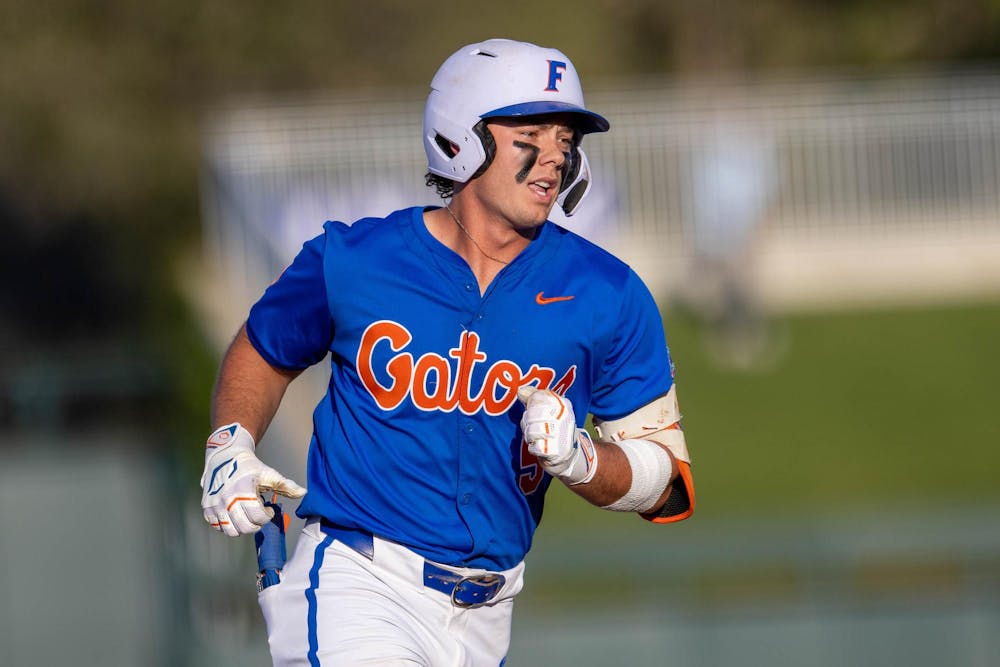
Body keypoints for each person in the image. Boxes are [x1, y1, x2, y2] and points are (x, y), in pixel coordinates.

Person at [199, 38, 695, 666]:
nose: (554, 160)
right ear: (461, 137)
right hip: (358, 580)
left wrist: (580, 458)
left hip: (489, 616)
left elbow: (667, 484)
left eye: (566, 142)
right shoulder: (355, 259)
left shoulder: (609, 293)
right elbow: (263, 348)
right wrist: (228, 442)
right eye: (531, 137)